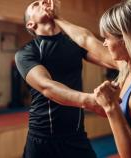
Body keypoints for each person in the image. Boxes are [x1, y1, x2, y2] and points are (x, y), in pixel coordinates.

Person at [48, 0, 131, 157]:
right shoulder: (127, 66)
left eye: (107, 37)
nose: (104, 44)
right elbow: (86, 39)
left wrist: (111, 107)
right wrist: (57, 18)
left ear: (125, 38)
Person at [14, 0, 119, 158]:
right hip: (43, 139)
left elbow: (111, 60)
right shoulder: (27, 53)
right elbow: (47, 87)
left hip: (76, 135)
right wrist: (91, 101)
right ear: (30, 24)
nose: (43, 1)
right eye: (35, 4)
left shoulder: (73, 43)